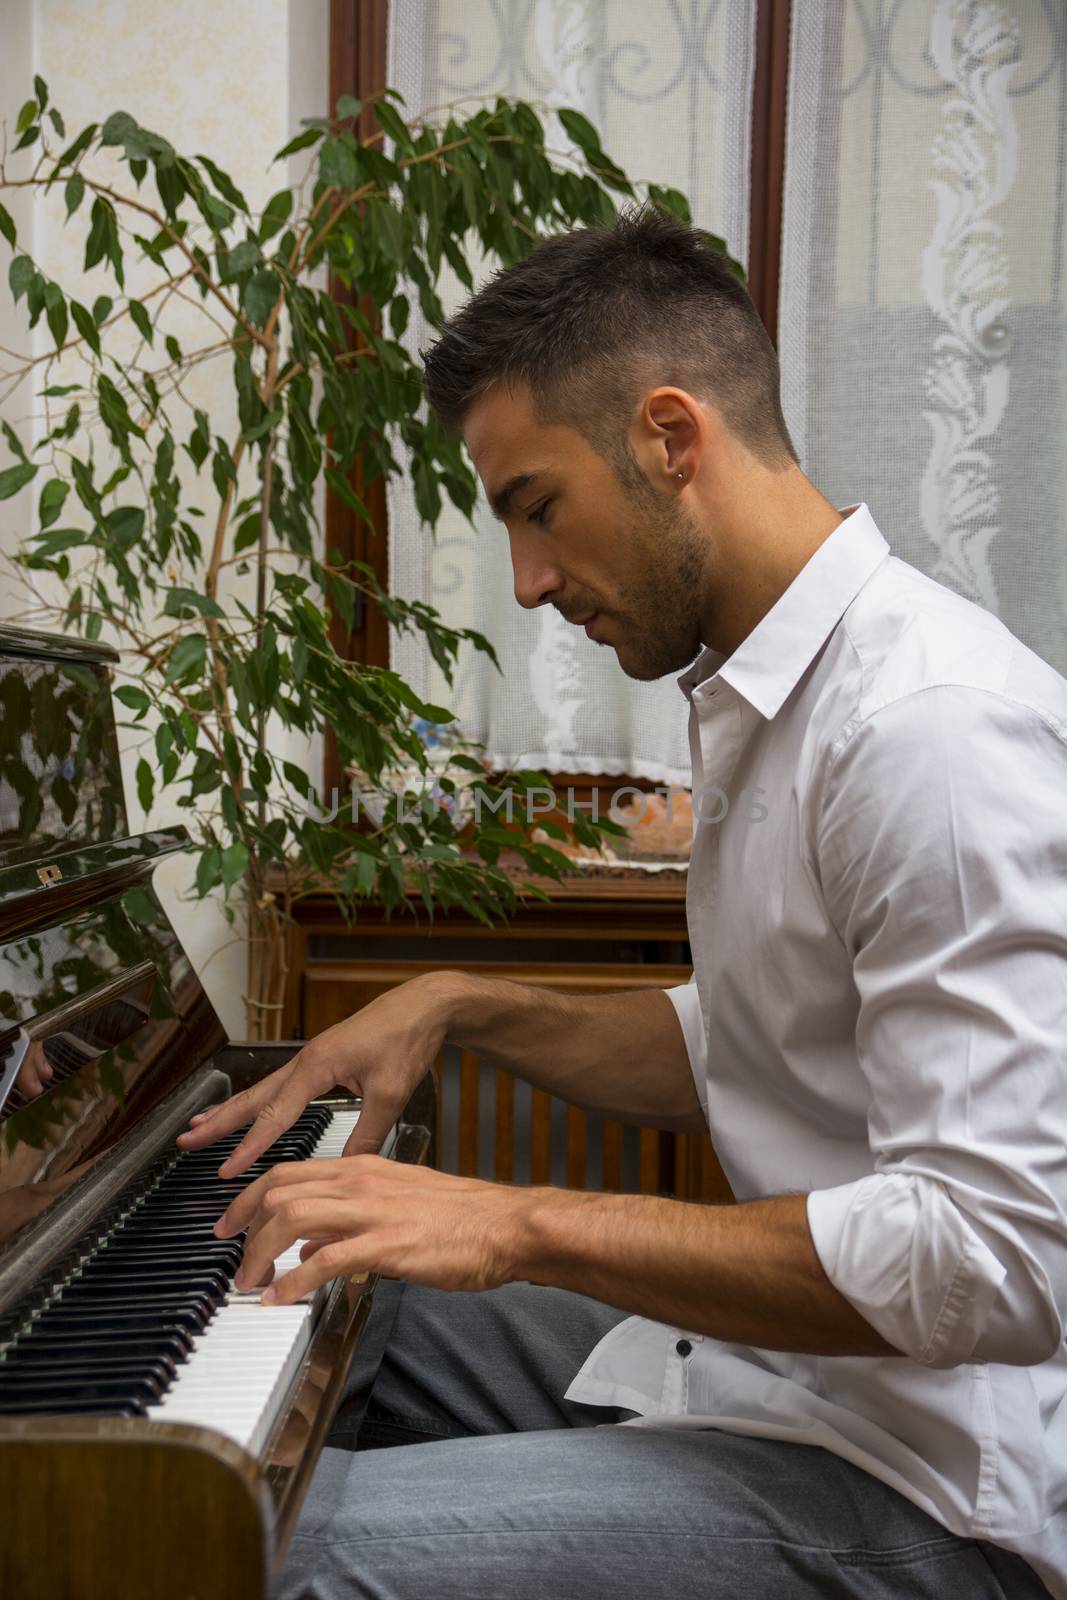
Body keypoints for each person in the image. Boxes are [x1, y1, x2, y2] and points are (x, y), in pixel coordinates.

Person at [178, 206, 1066, 1599]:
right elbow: (749, 1043)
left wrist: (516, 1220)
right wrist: (461, 1004)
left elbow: (996, 1257)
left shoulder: (928, 732)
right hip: (784, 1385)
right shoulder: (776, 696)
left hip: (932, 1484)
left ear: (670, 435)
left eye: (537, 508)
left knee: (245, 1557)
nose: (529, 582)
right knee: (351, 1300)